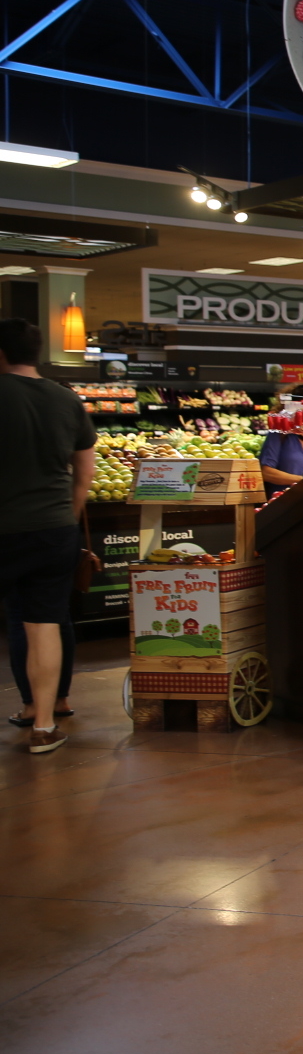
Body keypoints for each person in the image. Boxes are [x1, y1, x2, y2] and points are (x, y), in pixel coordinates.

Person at [0, 318, 96, 754]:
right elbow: (85, 474)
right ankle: (43, 726)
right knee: (45, 625)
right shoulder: (66, 399)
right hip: (54, 527)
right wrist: (68, 521)